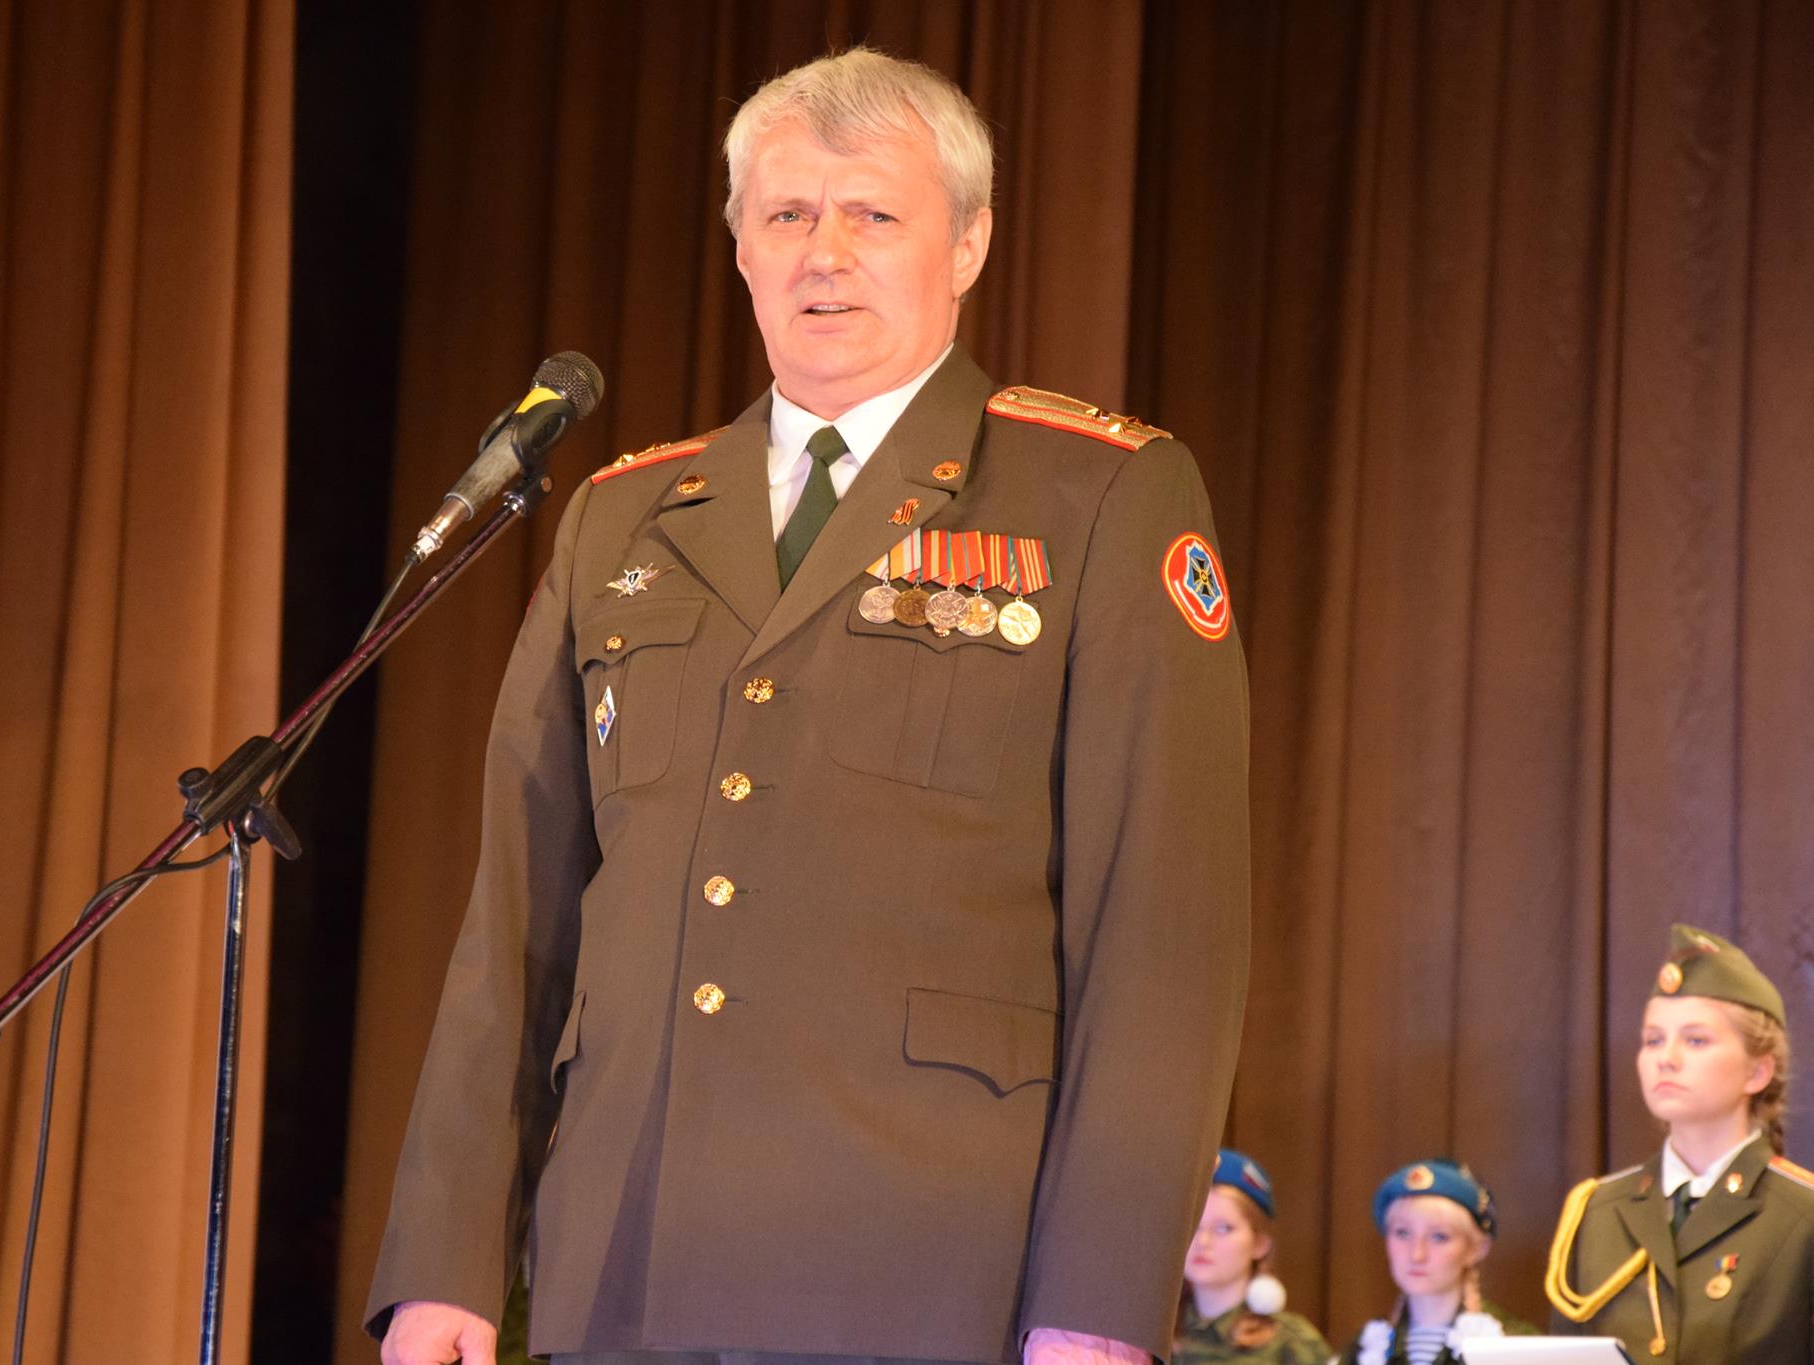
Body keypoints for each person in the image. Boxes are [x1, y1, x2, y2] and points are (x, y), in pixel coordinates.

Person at [369, 47, 1251, 1365]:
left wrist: (1102, 1297)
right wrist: (447, 1257)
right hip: (627, 1270)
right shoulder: (624, 516)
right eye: (786, 214)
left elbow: (1163, 936)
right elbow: (517, 923)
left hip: (934, 1274)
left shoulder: (1102, 495)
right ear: (739, 248)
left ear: (967, 243)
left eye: (873, 214)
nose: (822, 252)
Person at [1545, 923, 1814, 1361]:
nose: (1665, 1059)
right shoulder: (1597, 1213)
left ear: (1757, 1072)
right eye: (1653, 1040)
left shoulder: (1802, 1217)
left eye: (1696, 1040)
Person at [1341, 1161, 1534, 1365]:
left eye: (1439, 1237)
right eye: (1403, 1233)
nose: (1417, 1254)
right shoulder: (1365, 1347)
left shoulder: (1511, 1344)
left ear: (1476, 1249)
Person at [1174, 1149, 1331, 1365]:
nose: (1203, 1241)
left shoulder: (1290, 1344)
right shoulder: (1152, 1336)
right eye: (1193, 1225)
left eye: (1223, 1228)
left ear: (1259, 1244)